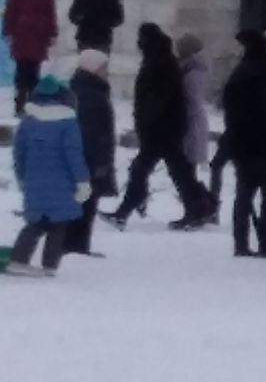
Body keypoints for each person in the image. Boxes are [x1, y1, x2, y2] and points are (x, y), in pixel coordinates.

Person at [107, 23, 211, 229]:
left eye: (141, 38)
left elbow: (157, 98)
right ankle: (200, 208)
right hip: (164, 128)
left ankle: (124, 211)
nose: (138, 43)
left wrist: (146, 120)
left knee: (145, 170)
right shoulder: (160, 59)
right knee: (176, 172)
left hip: (161, 129)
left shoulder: (160, 62)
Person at [5, 73, 89, 276]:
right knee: (58, 225)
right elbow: (73, 155)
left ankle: (18, 259)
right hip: (62, 184)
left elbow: (19, 153)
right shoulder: (68, 124)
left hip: (33, 181)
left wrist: (22, 177)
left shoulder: (28, 122)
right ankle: (50, 265)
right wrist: (82, 181)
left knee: (34, 224)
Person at [222, 31, 266, 258]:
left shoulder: (237, 75)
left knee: (243, 195)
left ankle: (241, 243)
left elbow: (229, 109)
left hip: (242, 143)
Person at [66, 48, 117, 257]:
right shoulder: (90, 94)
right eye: (103, 68)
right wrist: (99, 161)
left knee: (84, 203)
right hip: (89, 159)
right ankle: (76, 247)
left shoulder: (85, 89)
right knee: (85, 204)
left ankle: (76, 245)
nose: (107, 72)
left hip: (87, 157)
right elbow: (92, 132)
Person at [3, 0, 58, 115]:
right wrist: (9, 29)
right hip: (22, 34)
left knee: (35, 71)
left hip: (39, 35)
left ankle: (33, 103)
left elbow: (50, 11)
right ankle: (19, 103)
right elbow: (11, 9)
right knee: (22, 70)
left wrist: (52, 32)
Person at [173, 35, 214, 230]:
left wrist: (182, 112)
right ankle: (198, 208)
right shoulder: (188, 69)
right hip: (188, 125)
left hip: (191, 127)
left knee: (187, 172)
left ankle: (201, 208)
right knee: (186, 172)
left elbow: (194, 102)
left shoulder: (193, 72)